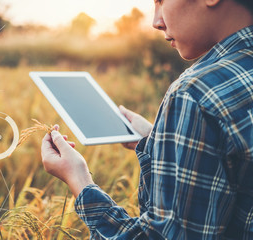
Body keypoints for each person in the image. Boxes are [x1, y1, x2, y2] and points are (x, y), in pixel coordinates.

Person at [41, 0, 253, 238]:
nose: (156, 22)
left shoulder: (194, 93)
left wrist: (79, 180)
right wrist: (156, 139)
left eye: (161, 1)